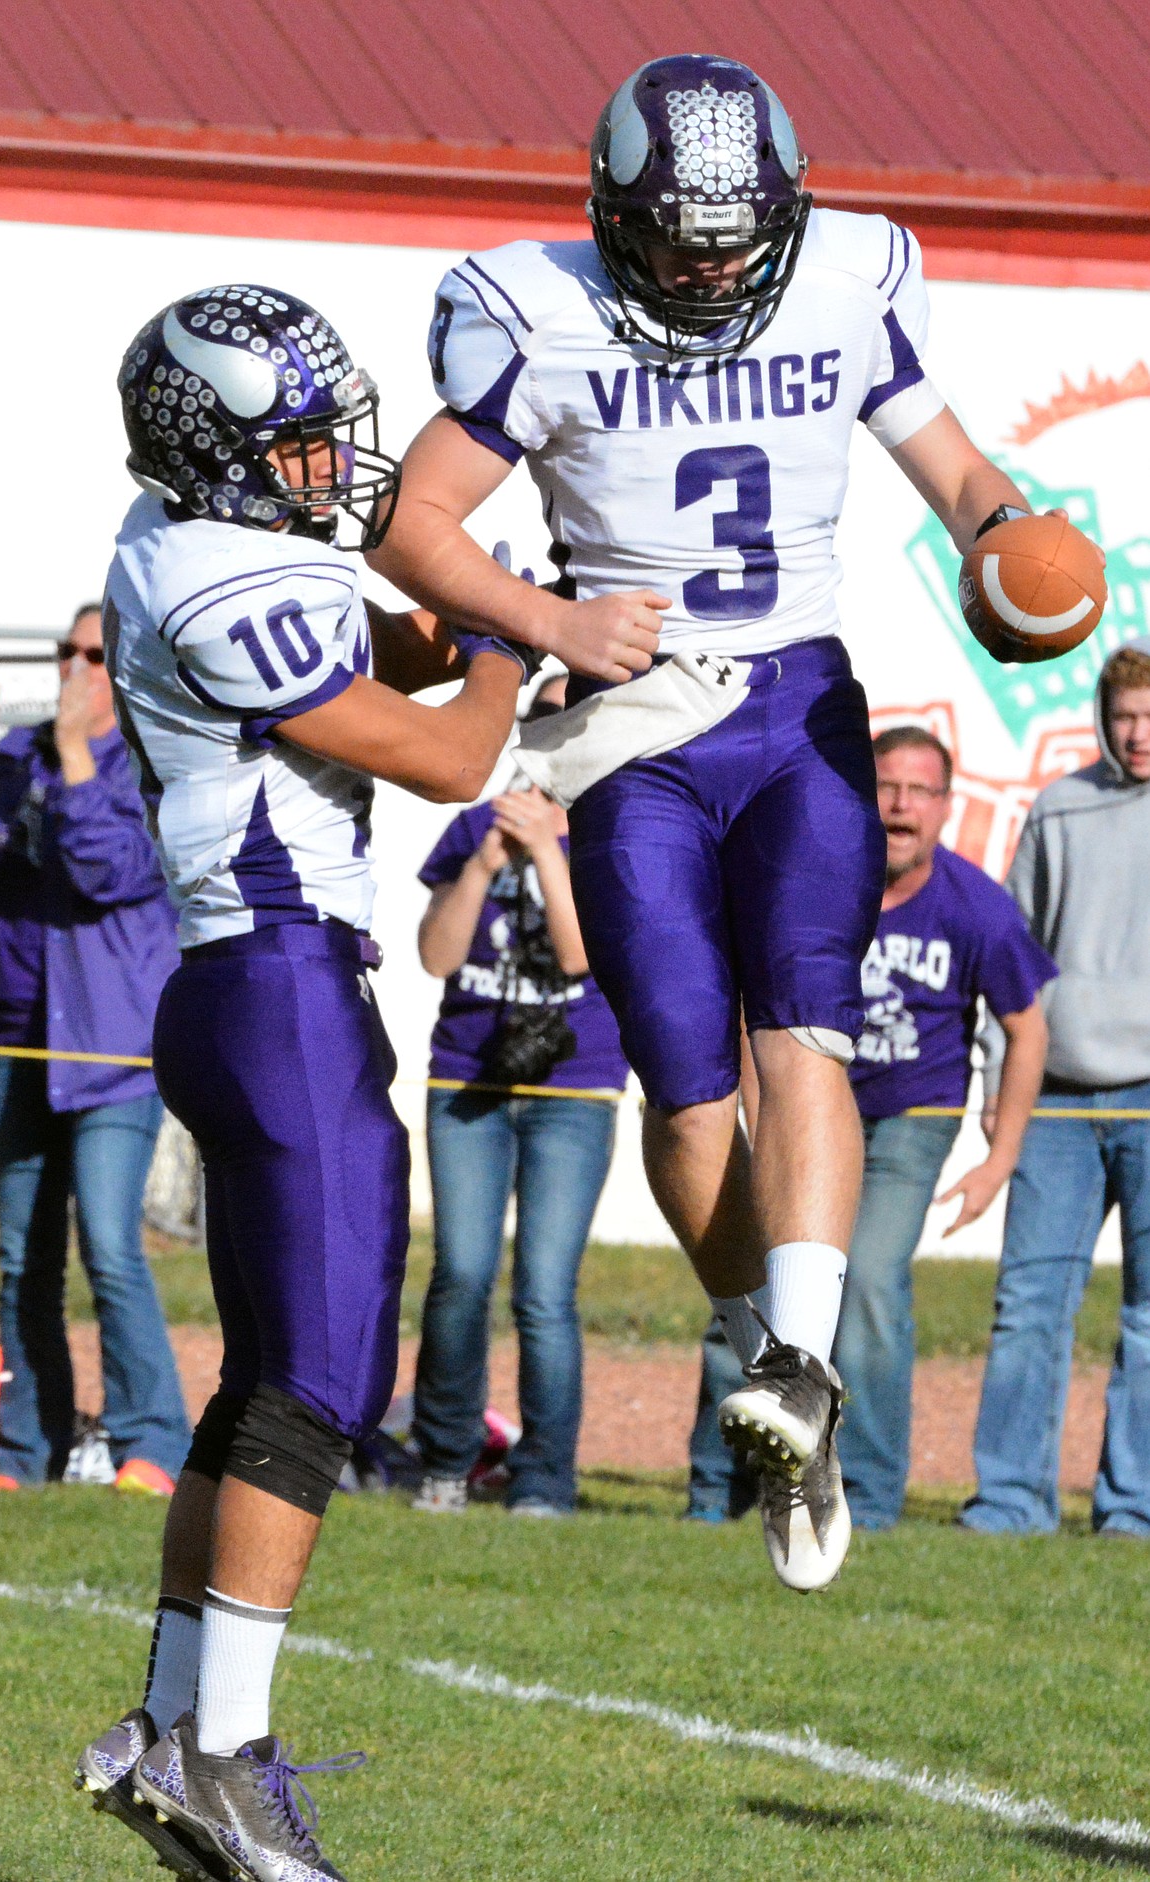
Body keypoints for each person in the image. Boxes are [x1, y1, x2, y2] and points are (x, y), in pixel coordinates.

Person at [366, 52, 1080, 1590]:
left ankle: (803, 1359)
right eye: (679, 234)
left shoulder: (841, 275)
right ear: (612, 211)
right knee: (684, 1095)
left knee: (802, 1031)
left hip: (797, 702)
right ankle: (773, 1361)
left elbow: (953, 474)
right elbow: (411, 527)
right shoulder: (532, 307)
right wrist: (550, 616)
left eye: (732, 234)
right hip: (633, 729)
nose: (707, 262)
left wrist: (1002, 543)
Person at [73, 284, 524, 1882]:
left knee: (266, 1375)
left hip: (239, 980)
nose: (332, 460)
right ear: (221, 452)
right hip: (274, 977)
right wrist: (516, 636)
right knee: (323, 1382)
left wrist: (448, 621)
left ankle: (165, 1718)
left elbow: (370, 643)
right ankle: (226, 1758)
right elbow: (447, 752)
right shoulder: (221, 570)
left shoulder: (175, 533)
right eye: (299, 438)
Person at [687, 725, 1055, 1527]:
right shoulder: (809, 885)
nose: (900, 805)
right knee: (751, 1283)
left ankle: (874, 1496)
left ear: (946, 807)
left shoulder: (973, 904)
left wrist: (999, 1159)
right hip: (809, 1112)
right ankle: (718, 1492)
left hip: (909, 1121)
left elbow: (1027, 1025)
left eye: (920, 791)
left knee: (874, 1283)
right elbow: (750, 1007)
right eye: (887, 786)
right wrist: (758, 1119)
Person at [0, 602, 188, 1494]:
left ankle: (154, 1444)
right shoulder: (6, 763)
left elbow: (112, 872)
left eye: (95, 655)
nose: (75, 668)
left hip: (113, 1051)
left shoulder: (153, 766)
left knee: (108, 1241)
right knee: (25, 1253)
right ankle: (29, 1448)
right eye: (66, 651)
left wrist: (71, 756)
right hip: (19, 1041)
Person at [411, 683, 630, 1517]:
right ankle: (446, 1460)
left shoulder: (614, 832)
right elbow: (436, 957)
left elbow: (584, 961)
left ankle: (544, 1477)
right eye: (540, 721)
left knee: (543, 1288)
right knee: (460, 1274)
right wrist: (484, 863)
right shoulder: (477, 828)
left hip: (573, 1086)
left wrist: (547, 852)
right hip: (468, 1078)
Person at [962, 639, 1150, 1537]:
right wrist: (1004, 1085)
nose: (1139, 733)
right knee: (1029, 1308)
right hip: (1058, 1105)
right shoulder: (1059, 809)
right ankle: (1008, 1502)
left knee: (1149, 1323)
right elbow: (1014, 959)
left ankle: (1132, 1509)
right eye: (1125, 717)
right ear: (1102, 720)